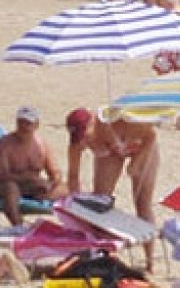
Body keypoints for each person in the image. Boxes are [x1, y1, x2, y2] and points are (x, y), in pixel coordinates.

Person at [65, 108, 158, 273]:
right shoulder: (77, 143)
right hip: (111, 153)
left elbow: (151, 135)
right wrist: (74, 204)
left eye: (86, 135)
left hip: (141, 146)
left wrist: (136, 163)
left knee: (142, 203)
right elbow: (73, 176)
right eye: (79, 138)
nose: (84, 141)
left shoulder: (118, 120)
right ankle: (103, 254)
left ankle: (150, 261)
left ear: (93, 122)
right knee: (100, 201)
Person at [0, 106, 63, 226]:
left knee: (66, 189)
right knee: (10, 189)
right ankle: (18, 226)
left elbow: (56, 172)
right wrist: (29, 178)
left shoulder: (41, 145)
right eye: (20, 122)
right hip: (7, 186)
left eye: (28, 123)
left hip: (34, 188)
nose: (23, 126)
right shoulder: (5, 144)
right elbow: (1, 175)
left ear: (36, 125)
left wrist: (51, 184)